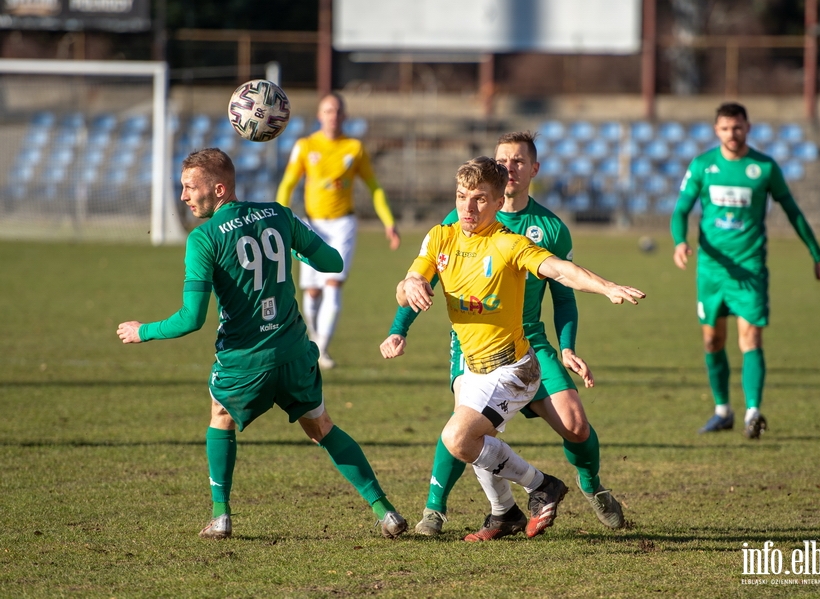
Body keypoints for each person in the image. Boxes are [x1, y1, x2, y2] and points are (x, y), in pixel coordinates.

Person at [117, 148, 407, 540]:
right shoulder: (279, 213)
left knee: (220, 415)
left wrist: (143, 330)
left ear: (219, 189)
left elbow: (191, 319)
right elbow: (332, 263)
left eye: (190, 188)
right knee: (321, 426)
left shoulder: (203, 239)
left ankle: (221, 517)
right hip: (292, 352)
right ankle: (385, 511)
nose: (183, 197)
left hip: (244, 361)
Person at [381, 132, 627, 538]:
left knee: (573, 426)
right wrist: (400, 321)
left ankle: (584, 486)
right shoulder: (449, 227)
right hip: (471, 347)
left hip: (524, 347)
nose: (508, 168)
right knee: (468, 431)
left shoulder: (535, 233)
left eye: (516, 162)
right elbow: (418, 278)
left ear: (532, 170)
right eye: (501, 161)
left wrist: (579, 328)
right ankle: (454, 510)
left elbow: (563, 285)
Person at [670, 102, 820, 439]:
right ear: (716, 130)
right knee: (713, 341)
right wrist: (679, 241)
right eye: (725, 128)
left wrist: (817, 255)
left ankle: (753, 412)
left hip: (750, 268)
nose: (732, 134)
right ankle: (723, 410)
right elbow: (682, 208)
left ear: (748, 127)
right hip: (712, 270)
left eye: (738, 127)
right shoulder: (703, 165)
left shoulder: (764, 167)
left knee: (751, 337)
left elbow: (793, 212)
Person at [277, 92, 401, 370]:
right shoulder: (305, 146)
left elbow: (374, 187)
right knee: (311, 292)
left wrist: (388, 222)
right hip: (310, 225)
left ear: (344, 116)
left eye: (337, 111)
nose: (333, 115)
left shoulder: (354, 148)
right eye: (328, 111)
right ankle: (314, 338)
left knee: (333, 284)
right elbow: (287, 184)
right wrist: (281, 217)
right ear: (320, 115)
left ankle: (321, 349)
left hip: (343, 224)